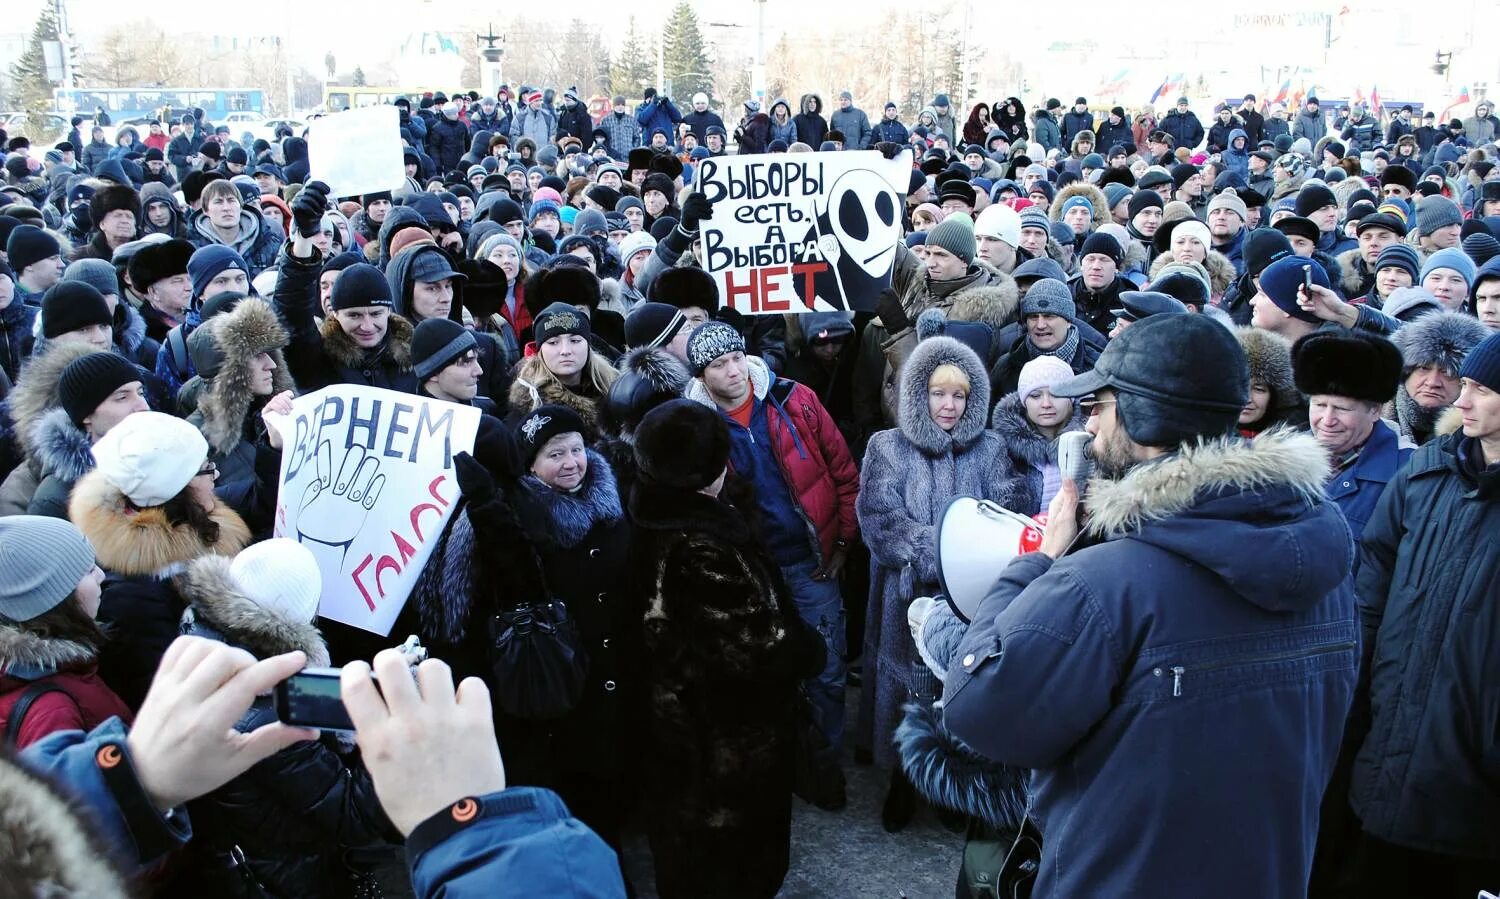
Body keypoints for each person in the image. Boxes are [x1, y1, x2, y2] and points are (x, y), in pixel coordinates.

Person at [942, 314, 1358, 898]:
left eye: (1101, 406)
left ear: (1143, 417)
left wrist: (1038, 564)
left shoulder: (1104, 580)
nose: (1088, 424)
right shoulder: (1325, 555)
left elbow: (979, 708)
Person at [627, 398, 824, 898]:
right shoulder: (700, 545)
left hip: (674, 733)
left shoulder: (650, 518)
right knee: (731, 869)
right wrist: (806, 649)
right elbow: (756, 650)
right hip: (723, 745)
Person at [1347, 331, 1500, 898]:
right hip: (1388, 742)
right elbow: (1373, 586)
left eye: (1482, 390)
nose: (1460, 401)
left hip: (1474, 785)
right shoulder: (1426, 472)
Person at [685, 321, 859, 808]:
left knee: (825, 668)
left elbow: (843, 471)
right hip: (749, 574)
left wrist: (843, 539)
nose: (734, 371)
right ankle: (776, 764)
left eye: (737, 357)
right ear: (703, 377)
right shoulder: (696, 426)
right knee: (762, 673)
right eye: (719, 365)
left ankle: (823, 765)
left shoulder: (794, 399)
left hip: (810, 563)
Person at [171, 538, 400, 895]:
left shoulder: (200, 639)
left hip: (257, 845)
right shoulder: (270, 714)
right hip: (290, 874)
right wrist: (392, 725)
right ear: (299, 618)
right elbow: (351, 815)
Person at [857, 334, 1019, 830]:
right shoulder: (886, 446)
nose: (948, 406)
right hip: (905, 599)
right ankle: (903, 782)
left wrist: (969, 563)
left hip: (972, 603)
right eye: (937, 393)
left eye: (960, 395)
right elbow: (880, 520)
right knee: (910, 695)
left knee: (959, 694)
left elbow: (1006, 514)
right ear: (916, 395)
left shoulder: (991, 449)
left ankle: (952, 787)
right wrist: (944, 553)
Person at [67, 411, 252, 709]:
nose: (216, 475)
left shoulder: (194, 521)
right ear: (176, 488)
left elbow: (259, 499)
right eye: (206, 469)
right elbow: (160, 700)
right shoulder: (133, 597)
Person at [0, 515, 128, 748]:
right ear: (53, 600)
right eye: (88, 571)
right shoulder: (52, 713)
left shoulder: (60, 668)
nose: (101, 574)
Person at [27, 352, 149, 519]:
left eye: (141, 393)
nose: (142, 406)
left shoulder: (164, 462)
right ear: (86, 415)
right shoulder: (56, 500)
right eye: (122, 397)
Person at [990, 355, 1086, 516]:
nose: (1046, 403)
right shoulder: (1001, 450)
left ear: (1071, 398)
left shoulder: (1093, 443)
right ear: (1023, 401)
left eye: (1056, 394)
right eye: (1035, 396)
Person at [508, 302, 619, 436]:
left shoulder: (615, 391)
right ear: (540, 350)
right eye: (553, 342)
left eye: (575, 341)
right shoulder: (528, 406)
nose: (565, 351)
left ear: (588, 345)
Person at [1389, 311, 1490, 446]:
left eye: (1448, 372)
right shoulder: (1370, 416)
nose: (1432, 382)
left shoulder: (1484, 437)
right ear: (1405, 371)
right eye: (1423, 368)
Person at [1235, 327, 1304, 436]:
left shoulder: (1295, 440)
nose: (1247, 398)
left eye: (1259, 389)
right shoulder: (1201, 435)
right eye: (1240, 385)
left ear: (1275, 398)